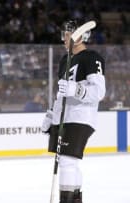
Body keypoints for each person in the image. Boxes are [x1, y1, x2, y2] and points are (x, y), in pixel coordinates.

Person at [42, 20, 106, 203]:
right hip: (64, 117)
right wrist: (51, 116)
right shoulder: (65, 60)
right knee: (67, 162)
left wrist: (76, 89)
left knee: (68, 162)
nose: (64, 38)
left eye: (68, 34)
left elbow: (99, 92)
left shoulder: (92, 57)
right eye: (63, 34)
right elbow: (61, 93)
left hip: (80, 116)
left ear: (81, 36)